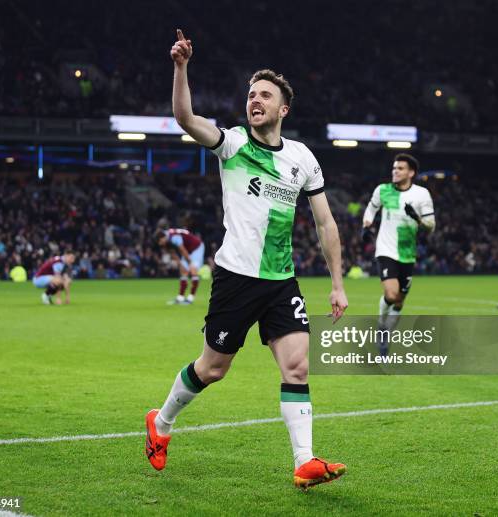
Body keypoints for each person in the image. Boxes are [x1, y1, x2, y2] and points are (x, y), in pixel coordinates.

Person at [145, 29, 349, 490]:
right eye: (251, 94)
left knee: (297, 366)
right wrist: (181, 68)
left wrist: (337, 282)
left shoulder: (302, 158)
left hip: (281, 280)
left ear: (283, 109)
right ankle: (161, 422)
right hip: (236, 277)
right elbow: (185, 118)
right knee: (212, 369)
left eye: (265, 95)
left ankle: (305, 461)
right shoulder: (233, 144)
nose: (254, 100)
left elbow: (325, 223)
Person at [362, 154, 435, 355]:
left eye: (400, 168)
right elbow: (371, 208)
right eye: (394, 168)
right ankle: (380, 324)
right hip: (386, 250)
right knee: (391, 294)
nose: (395, 171)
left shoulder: (422, 195)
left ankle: (385, 338)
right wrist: (367, 224)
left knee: (400, 301)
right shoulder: (383, 190)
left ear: (411, 173)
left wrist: (417, 218)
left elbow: (431, 226)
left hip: (407, 253)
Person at [155, 228, 204, 304]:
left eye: (160, 241)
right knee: (183, 272)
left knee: (193, 270)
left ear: (163, 237)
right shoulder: (167, 238)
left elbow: (182, 250)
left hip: (196, 248)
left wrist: (190, 263)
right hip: (187, 250)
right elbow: (172, 253)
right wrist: (180, 265)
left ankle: (190, 299)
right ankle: (180, 298)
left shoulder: (174, 237)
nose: (160, 244)